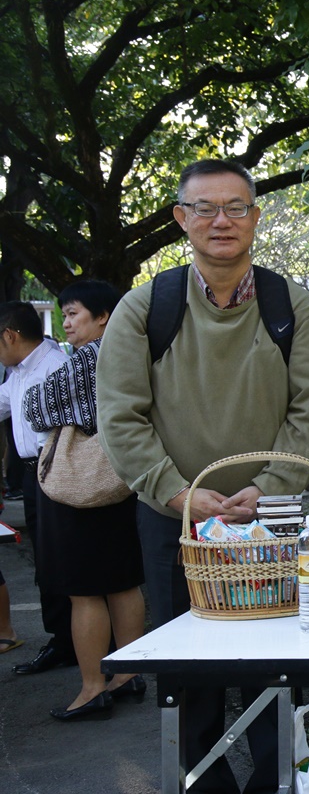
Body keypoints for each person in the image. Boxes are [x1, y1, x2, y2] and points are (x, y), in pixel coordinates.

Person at [97, 158, 309, 793]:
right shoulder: (145, 307)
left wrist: (270, 490)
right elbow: (121, 416)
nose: (221, 220)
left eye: (235, 207)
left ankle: (280, 784)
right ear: (182, 219)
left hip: (273, 517)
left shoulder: (293, 306)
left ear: (256, 217)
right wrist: (178, 493)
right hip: (174, 517)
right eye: (205, 208)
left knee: (278, 667)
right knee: (187, 671)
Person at [23, 281, 145, 721]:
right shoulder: (133, 353)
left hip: (79, 489)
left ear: (103, 316)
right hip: (120, 479)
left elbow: (36, 408)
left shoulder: (90, 359)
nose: (67, 323)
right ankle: (128, 674)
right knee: (122, 582)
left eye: (74, 313)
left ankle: (93, 687)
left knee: (84, 591)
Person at [0, 302, 70, 675]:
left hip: (56, 469)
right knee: (45, 558)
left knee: (58, 558)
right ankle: (61, 638)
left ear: (10, 335)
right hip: (33, 474)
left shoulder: (54, 365)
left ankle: (70, 640)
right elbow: (3, 404)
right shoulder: (20, 371)